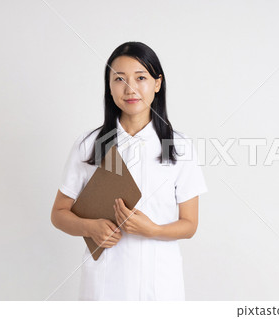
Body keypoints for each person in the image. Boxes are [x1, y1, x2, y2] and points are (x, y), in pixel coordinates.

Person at [50, 41, 208, 300]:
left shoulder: (179, 146)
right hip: (104, 283)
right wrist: (90, 228)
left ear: (157, 84)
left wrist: (152, 230)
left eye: (141, 77)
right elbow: (58, 214)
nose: (130, 88)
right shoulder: (89, 145)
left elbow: (189, 225)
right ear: (109, 87)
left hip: (159, 283)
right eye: (119, 78)